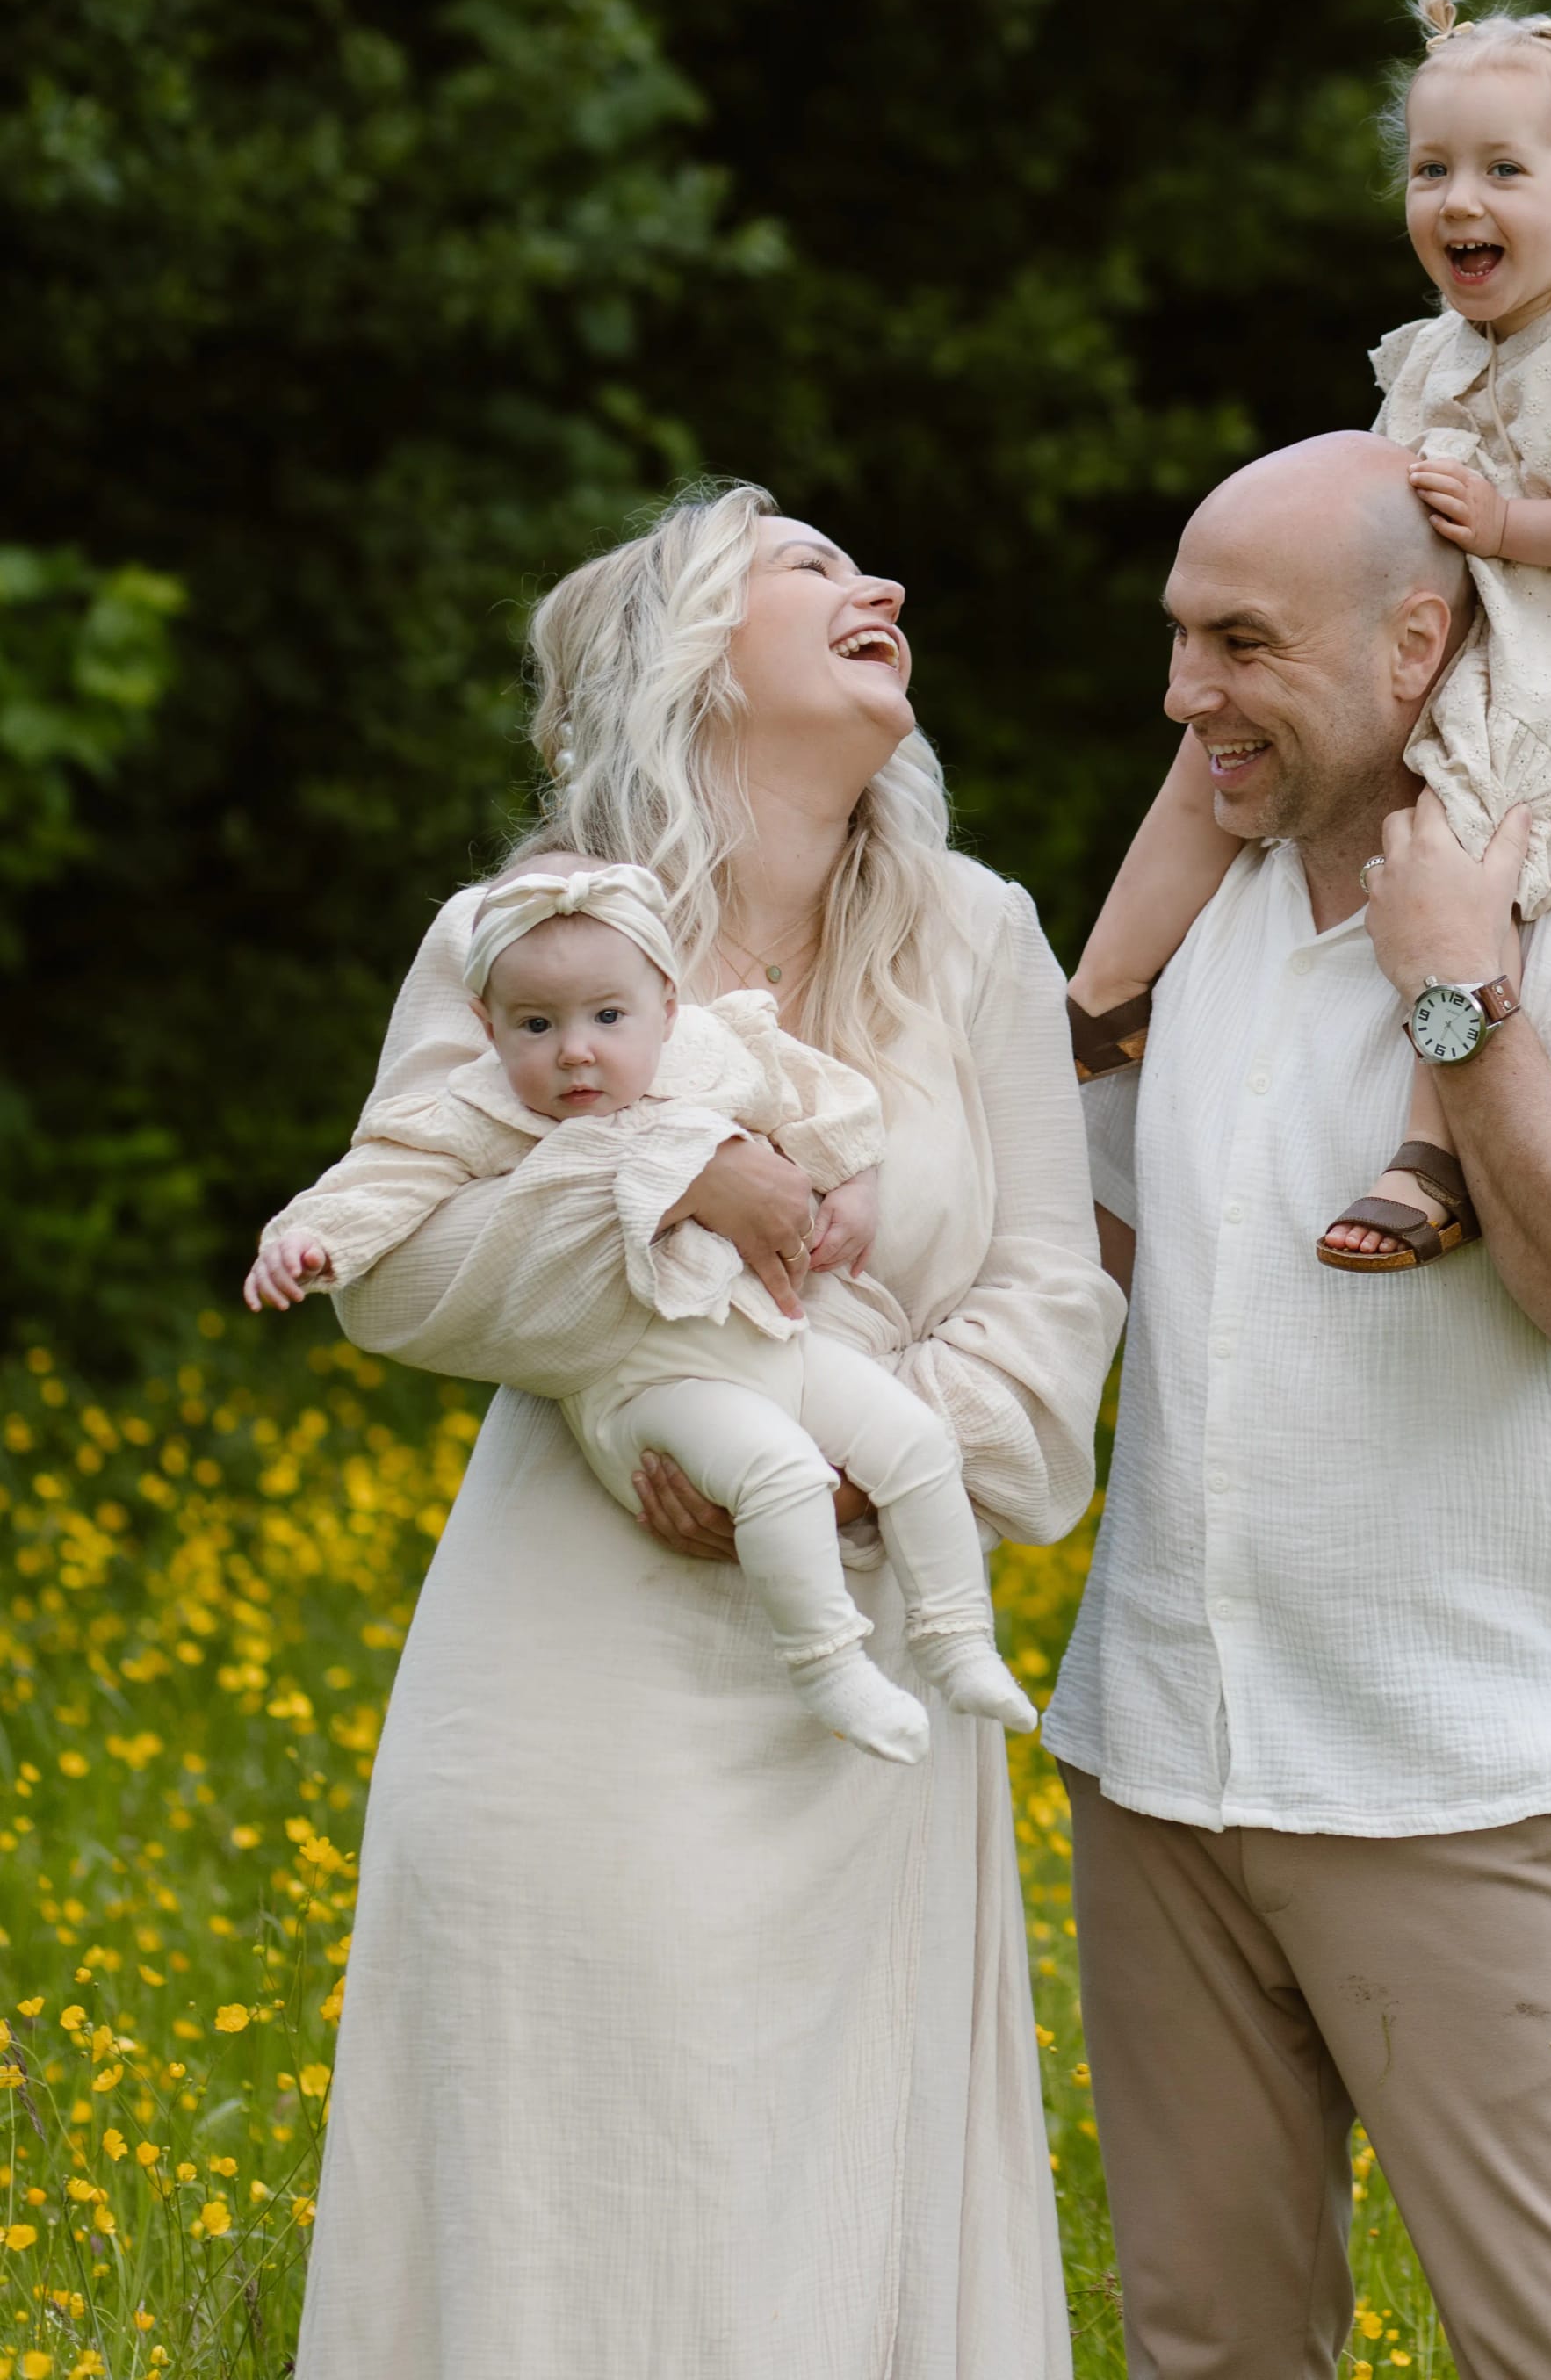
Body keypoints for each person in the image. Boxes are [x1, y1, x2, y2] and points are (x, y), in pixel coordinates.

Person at [292, 481, 1123, 2380]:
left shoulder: (976, 932)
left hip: (865, 1672)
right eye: (813, 569)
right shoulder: (527, 937)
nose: (881, 585)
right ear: (689, 655)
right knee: (583, 2211)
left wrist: (852, 1454)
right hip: (573, 1685)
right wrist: (674, 1186)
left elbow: (1048, 1292)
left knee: (835, 2218)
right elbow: (395, 1263)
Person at [1042, 429, 1551, 2380]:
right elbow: (1066, 1258)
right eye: (1178, 639)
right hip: (1158, 1769)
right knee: (1205, 2344)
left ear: (1417, 644)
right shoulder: (1198, 914)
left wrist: (1456, 997)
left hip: (1452, 1780)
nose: (1184, 693)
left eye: (1239, 643)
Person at [1068, 0, 1551, 1268]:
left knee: (1467, 816)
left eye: (1502, 171)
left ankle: (1436, 1144)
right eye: (1433, 172)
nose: (1459, 201)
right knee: (1218, 726)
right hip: (1447, 624)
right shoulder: (1433, 350)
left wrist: (1509, 529)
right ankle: (1104, 996)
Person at [247, 856, 1033, 1759]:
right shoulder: (479, 1111)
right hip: (645, 1381)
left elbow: (816, 1093)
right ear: (487, 1027)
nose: (575, 1051)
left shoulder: (705, 1052)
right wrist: (310, 1241)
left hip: (769, 1335)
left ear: (665, 1002)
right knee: (781, 1473)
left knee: (919, 1442)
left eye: (607, 1017)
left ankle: (956, 1635)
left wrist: (850, 1179)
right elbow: (383, 1175)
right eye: (535, 1025)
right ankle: (829, 1665)